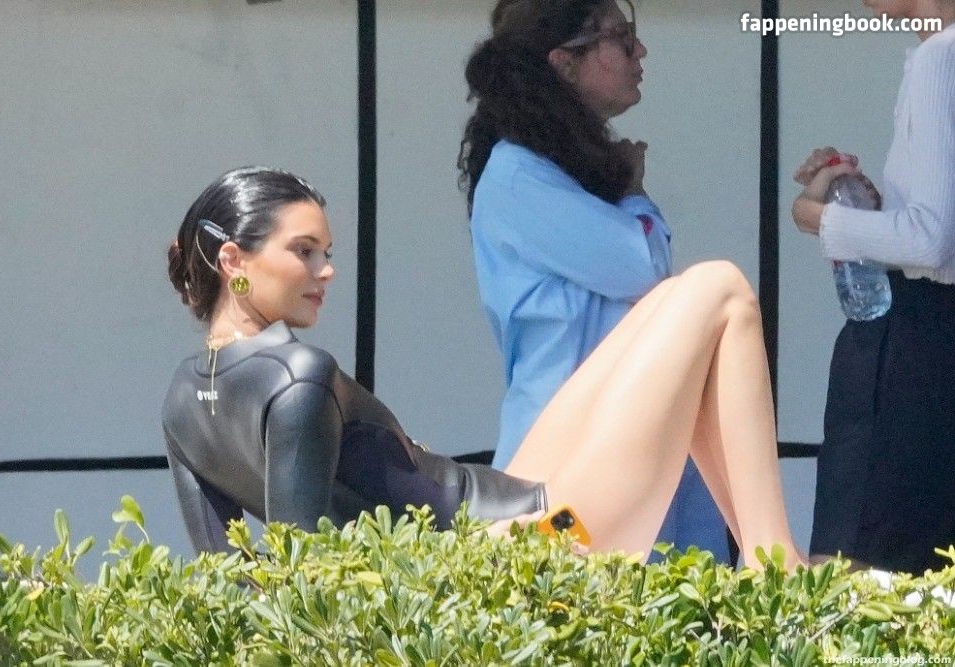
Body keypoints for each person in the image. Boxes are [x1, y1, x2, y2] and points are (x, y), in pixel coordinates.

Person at [162, 166, 804, 570]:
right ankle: (777, 569)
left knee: (671, 302)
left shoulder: (182, 402)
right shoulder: (297, 376)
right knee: (720, 288)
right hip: (543, 541)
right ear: (233, 262)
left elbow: (224, 573)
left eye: (326, 251)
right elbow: (305, 578)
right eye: (303, 251)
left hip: (512, 507)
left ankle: (766, 561)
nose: (325, 270)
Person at [457, 0, 728, 559]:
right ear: (564, 62)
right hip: (572, 451)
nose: (640, 51)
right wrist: (633, 193)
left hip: (641, 439)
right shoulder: (518, 175)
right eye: (623, 38)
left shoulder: (564, 172)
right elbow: (642, 268)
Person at [791, 0, 955, 573]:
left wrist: (817, 217)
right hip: (932, 337)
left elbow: (928, 242)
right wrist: (864, 202)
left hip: (914, 341)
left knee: (851, 577)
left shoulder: (940, 56)